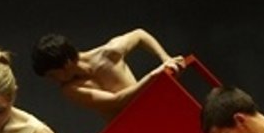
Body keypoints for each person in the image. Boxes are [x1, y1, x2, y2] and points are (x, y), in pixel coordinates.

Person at [31, 29, 186, 119]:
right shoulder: (70, 89)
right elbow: (116, 100)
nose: (52, 80)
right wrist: (154, 76)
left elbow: (140, 35)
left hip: (152, 114)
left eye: (52, 75)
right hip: (125, 132)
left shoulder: (109, 53)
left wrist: (165, 58)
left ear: (66, 64)